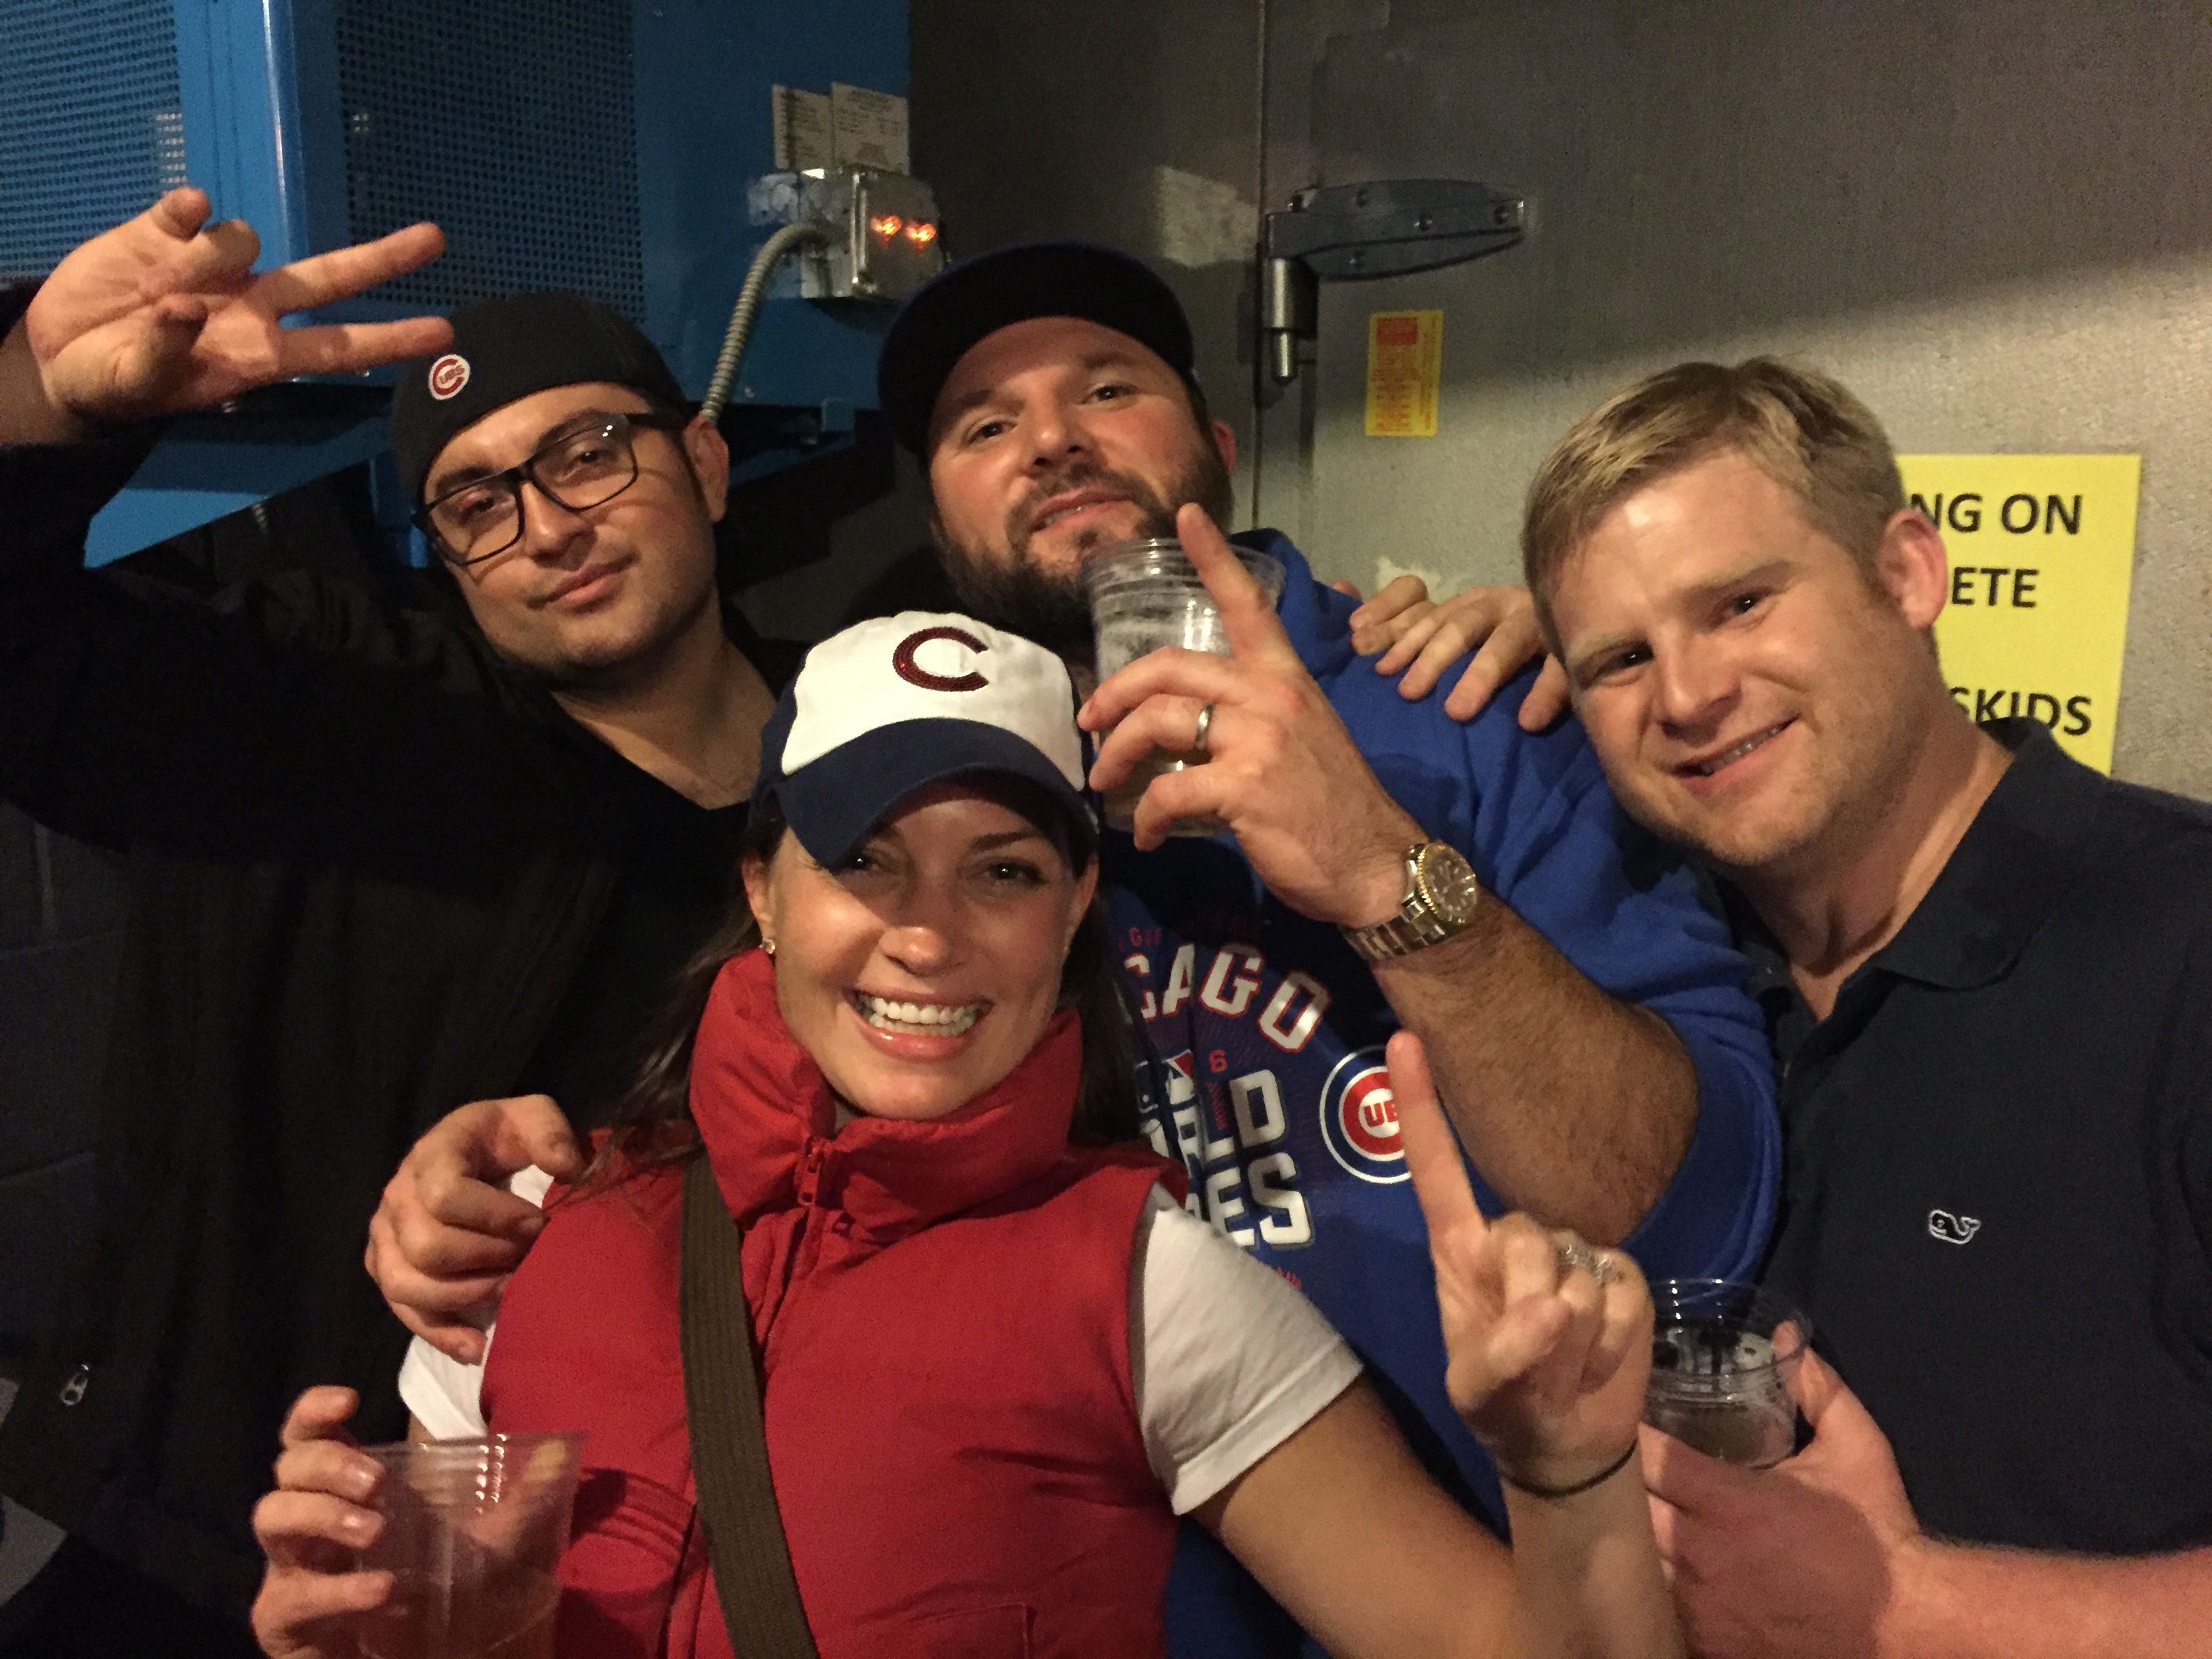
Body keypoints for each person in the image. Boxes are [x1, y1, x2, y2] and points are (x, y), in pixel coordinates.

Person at [369, 243, 1780, 1657]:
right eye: (986, 425)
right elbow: (754, 1126)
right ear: (939, 508)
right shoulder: (932, 762)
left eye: (1108, 388)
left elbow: (1692, 1218)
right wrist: (507, 1189)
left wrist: (1380, 867)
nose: (1051, 439)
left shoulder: (1462, 711)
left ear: (1220, 446)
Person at [253, 612, 1685, 1659]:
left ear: (1072, 916)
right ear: (762, 890)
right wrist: (345, 1634)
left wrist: (1565, 1472)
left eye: (1001, 871)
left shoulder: (1146, 1285)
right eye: (863, 859)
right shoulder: (529, 1232)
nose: (925, 934)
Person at [0, 190, 793, 1653]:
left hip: (619, 1580)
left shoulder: (859, 799)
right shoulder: (326, 712)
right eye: (479, 502)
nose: (549, 526)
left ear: (706, 463)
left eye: (590, 455)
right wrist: (33, 400)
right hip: (218, 1552)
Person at [1519, 356, 2212, 1657]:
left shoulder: (2182, 948)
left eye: (1739, 603)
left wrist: (1911, 1610)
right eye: (1621, 656)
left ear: (1906, 573)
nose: (1686, 694)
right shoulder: (1651, 979)